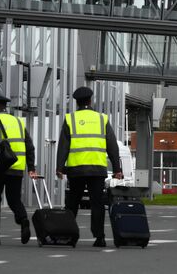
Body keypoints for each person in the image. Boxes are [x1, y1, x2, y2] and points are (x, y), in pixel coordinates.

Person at [56, 86, 123, 248]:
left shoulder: (70, 119)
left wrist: (59, 167)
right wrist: (117, 169)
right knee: (97, 204)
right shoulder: (102, 119)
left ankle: (69, 236)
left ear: (77, 102)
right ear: (90, 100)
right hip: (97, 170)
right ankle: (99, 237)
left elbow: (63, 146)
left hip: (76, 170)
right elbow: (112, 146)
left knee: (72, 204)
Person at [0, 93, 37, 246]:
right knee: (14, 199)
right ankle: (24, 221)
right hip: (16, 167)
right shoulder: (18, 122)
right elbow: (29, 146)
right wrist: (31, 167)